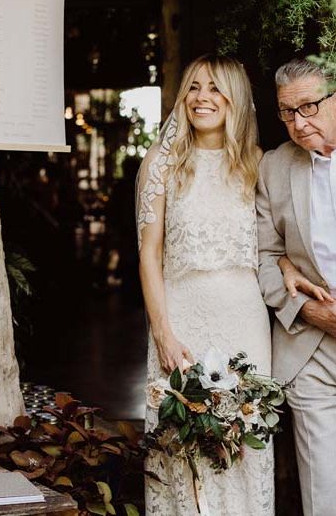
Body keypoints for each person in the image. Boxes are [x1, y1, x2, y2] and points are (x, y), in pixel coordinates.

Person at [137, 55, 281, 514]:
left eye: (215, 88)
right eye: (194, 87)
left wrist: (293, 272)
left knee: (243, 449)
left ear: (235, 99)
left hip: (245, 324)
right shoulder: (162, 164)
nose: (202, 98)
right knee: (182, 449)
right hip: (181, 324)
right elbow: (149, 253)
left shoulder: (258, 164)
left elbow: (278, 244)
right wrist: (162, 332)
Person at [257, 59, 336, 516]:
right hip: (310, 351)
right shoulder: (273, 166)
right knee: (324, 497)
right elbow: (264, 256)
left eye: (308, 107)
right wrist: (307, 310)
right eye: (287, 112)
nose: (298, 123)